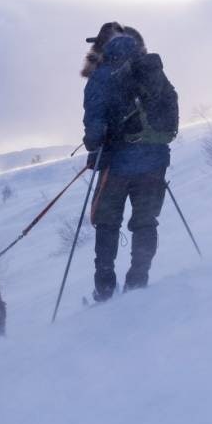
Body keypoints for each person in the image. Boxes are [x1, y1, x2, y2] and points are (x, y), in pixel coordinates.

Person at [81, 23, 178, 301]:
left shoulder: (101, 75)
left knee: (107, 223)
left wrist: (94, 147)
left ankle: (105, 290)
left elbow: (94, 122)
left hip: (118, 165)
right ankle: (138, 281)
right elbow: (169, 106)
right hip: (155, 162)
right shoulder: (152, 70)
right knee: (145, 222)